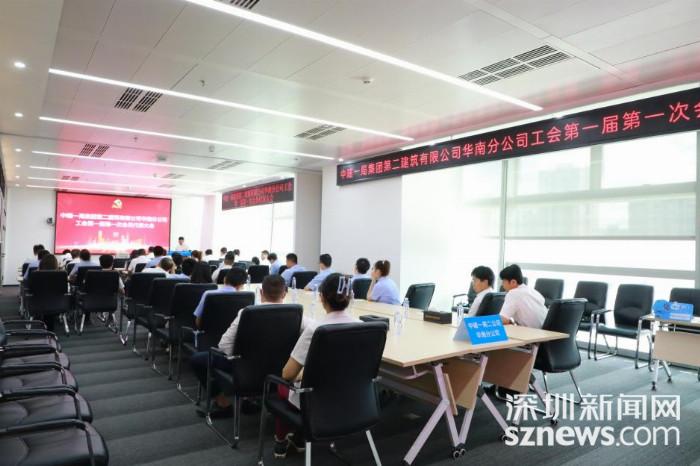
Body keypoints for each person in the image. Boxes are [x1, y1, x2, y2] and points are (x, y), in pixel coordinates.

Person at [275, 273, 360, 457]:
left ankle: (281, 440)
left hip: (317, 402)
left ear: (321, 297)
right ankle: (298, 437)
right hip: (353, 401)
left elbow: (287, 374)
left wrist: (302, 373)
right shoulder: (362, 326)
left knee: (281, 385)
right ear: (351, 297)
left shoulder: (316, 329)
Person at [190, 274, 289, 418]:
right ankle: (250, 399)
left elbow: (224, 345)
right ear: (285, 294)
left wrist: (240, 357)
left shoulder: (247, 313)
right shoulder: (300, 316)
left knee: (196, 360)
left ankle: (223, 402)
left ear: (261, 292)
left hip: (247, 370)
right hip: (278, 371)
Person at [498, 264, 548, 329]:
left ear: (513, 282)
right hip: (545, 331)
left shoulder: (513, 293)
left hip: (532, 332)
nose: (502, 285)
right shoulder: (532, 291)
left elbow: (502, 320)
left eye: (504, 282)